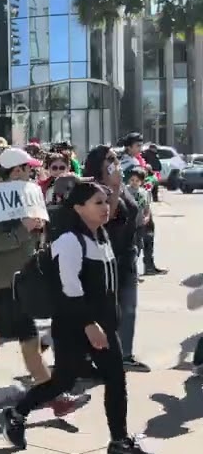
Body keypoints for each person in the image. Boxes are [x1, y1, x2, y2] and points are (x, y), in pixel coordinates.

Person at [0, 181, 156, 454]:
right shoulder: (70, 240)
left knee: (115, 379)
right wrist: (89, 325)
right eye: (98, 202)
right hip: (75, 325)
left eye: (106, 202)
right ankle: (17, 413)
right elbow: (70, 288)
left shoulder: (102, 236)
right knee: (64, 381)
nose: (106, 207)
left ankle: (119, 442)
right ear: (78, 207)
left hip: (102, 325)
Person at [0, 148, 87, 414]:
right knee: (28, 338)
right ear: (16, 171)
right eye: (27, 169)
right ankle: (54, 397)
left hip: (18, 278)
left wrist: (38, 229)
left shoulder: (22, 196)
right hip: (6, 280)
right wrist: (25, 229)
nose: (31, 173)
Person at [82, 146, 148, 371]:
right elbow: (103, 220)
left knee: (128, 308)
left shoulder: (121, 186)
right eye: (110, 159)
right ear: (99, 163)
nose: (115, 162)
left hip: (127, 255)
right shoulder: (93, 189)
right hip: (104, 259)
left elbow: (133, 213)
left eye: (116, 158)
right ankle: (88, 358)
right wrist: (116, 188)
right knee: (101, 310)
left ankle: (125, 355)